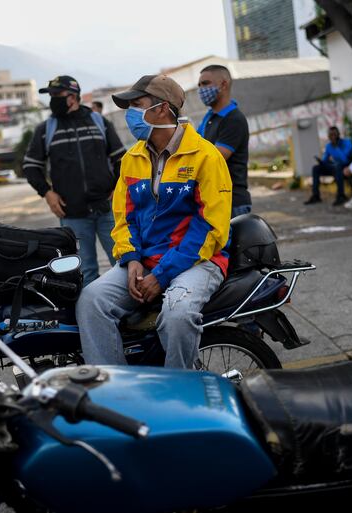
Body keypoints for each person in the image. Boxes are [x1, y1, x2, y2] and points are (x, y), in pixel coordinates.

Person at [76, 74, 232, 369]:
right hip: (145, 261)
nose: (130, 114)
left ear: (162, 109)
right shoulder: (131, 158)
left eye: (137, 104)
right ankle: (117, 390)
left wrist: (162, 275)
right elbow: (124, 217)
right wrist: (131, 258)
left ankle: (180, 394)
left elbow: (211, 227)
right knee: (91, 300)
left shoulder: (206, 158)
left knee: (177, 314)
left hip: (199, 262)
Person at [23, 75, 126, 285]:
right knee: (84, 272)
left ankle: (131, 313)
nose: (52, 100)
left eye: (56, 95)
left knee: (122, 263)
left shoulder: (99, 122)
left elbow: (121, 160)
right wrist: (47, 192)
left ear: (73, 97)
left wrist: (118, 187)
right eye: (50, 96)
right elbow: (31, 166)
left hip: (107, 210)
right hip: (72, 214)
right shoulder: (46, 129)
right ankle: (92, 316)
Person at [196, 64, 251, 217]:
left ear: (224, 84)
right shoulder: (209, 117)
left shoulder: (234, 119)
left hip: (232, 202)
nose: (201, 89)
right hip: (213, 200)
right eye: (199, 85)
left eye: (205, 83)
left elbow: (215, 158)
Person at [305, 126, 352, 205]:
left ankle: (341, 196)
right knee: (316, 168)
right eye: (331, 135)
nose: (333, 137)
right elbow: (325, 160)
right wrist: (321, 162)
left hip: (345, 167)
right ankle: (316, 196)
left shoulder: (347, 143)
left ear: (338, 134)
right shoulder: (328, 146)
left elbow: (345, 160)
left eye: (334, 134)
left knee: (338, 166)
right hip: (334, 167)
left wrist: (336, 147)